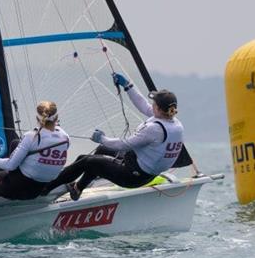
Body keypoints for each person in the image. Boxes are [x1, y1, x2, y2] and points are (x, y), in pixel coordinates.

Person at [43, 72, 184, 201]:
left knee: (88, 161)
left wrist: (102, 138)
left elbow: (124, 144)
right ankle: (77, 188)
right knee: (100, 151)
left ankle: (46, 188)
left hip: (132, 176)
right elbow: (143, 105)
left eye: (154, 103)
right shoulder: (174, 123)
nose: (151, 105)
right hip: (138, 167)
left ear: (159, 109)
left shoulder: (155, 129)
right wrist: (127, 86)